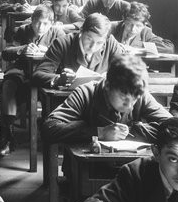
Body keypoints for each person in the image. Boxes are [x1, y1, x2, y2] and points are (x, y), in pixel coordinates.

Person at [42, 55, 171, 147]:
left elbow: (176, 127)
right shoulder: (85, 93)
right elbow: (49, 128)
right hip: (90, 169)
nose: (130, 106)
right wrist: (100, 132)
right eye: (123, 97)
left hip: (131, 167)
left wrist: (131, 131)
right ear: (108, 85)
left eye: (135, 99)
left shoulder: (139, 94)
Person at [0, 6, 66, 158]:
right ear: (31, 21)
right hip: (22, 70)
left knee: (52, 92)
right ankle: (6, 133)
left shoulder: (58, 33)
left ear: (51, 23)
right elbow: (6, 52)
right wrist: (23, 48)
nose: (40, 27)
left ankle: (50, 130)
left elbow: (65, 54)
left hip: (46, 72)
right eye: (37, 23)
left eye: (45, 24)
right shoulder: (22, 30)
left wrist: (49, 51)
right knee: (9, 85)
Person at [31, 13, 127, 90]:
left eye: (99, 43)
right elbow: (38, 75)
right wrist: (58, 79)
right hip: (67, 102)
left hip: (100, 101)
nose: (93, 47)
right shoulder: (62, 43)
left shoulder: (110, 42)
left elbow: (125, 71)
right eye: (89, 39)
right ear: (81, 31)